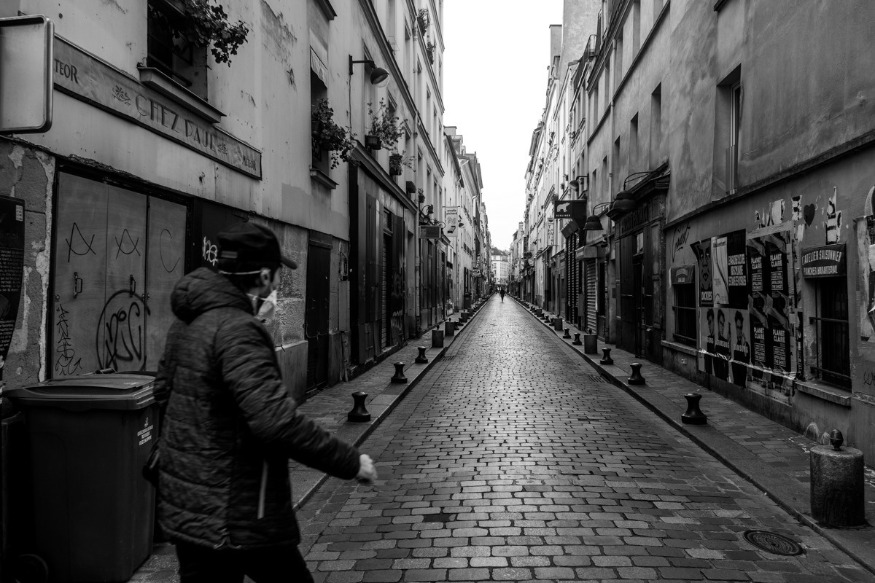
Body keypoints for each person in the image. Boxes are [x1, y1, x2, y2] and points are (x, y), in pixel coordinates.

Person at [154, 222, 377, 583]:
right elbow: (276, 421)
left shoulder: (187, 322)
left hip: (189, 507)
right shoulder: (239, 329)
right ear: (261, 277)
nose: (277, 285)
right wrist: (350, 461)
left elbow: (164, 394)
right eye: (275, 276)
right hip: (238, 510)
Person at [731, 310, 750, 388]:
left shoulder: (745, 344)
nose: (739, 330)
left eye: (740, 327)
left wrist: (744, 345)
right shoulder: (733, 343)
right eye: (737, 327)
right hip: (735, 383)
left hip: (742, 384)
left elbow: (747, 362)